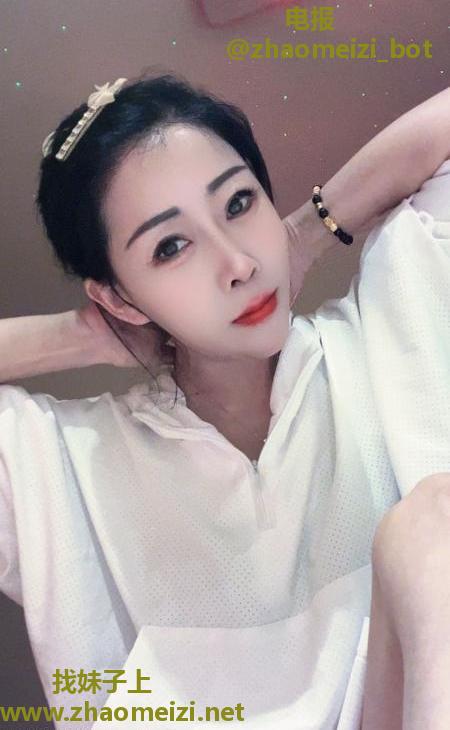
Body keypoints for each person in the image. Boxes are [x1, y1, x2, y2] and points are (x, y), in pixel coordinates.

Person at [0, 71, 449, 730]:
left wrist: (309, 230)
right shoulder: (59, 464)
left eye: (239, 203)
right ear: (118, 296)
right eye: (171, 246)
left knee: (431, 528)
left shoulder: (388, 328)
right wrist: (81, 337)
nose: (238, 263)